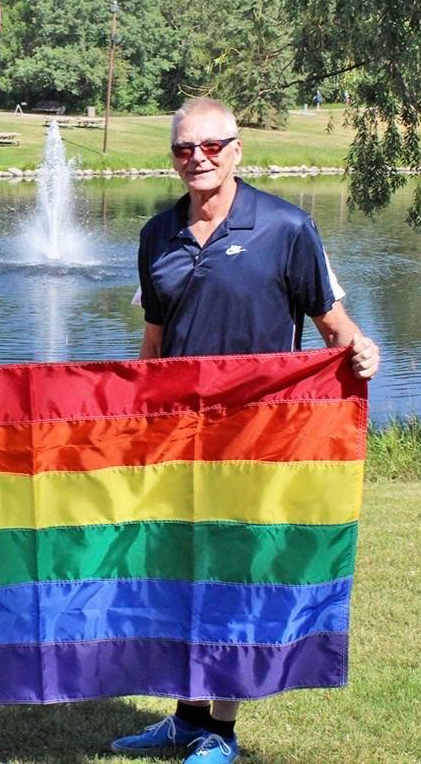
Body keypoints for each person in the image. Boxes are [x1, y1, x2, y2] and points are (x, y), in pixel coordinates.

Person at [112, 97, 380, 764]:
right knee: (178, 575)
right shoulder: (155, 236)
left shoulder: (287, 228)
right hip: (177, 442)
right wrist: (136, 424)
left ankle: (221, 731)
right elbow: (152, 343)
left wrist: (363, 353)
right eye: (183, 148)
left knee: (232, 576)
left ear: (237, 151)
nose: (196, 158)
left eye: (210, 146)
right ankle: (183, 717)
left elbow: (334, 329)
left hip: (256, 442)